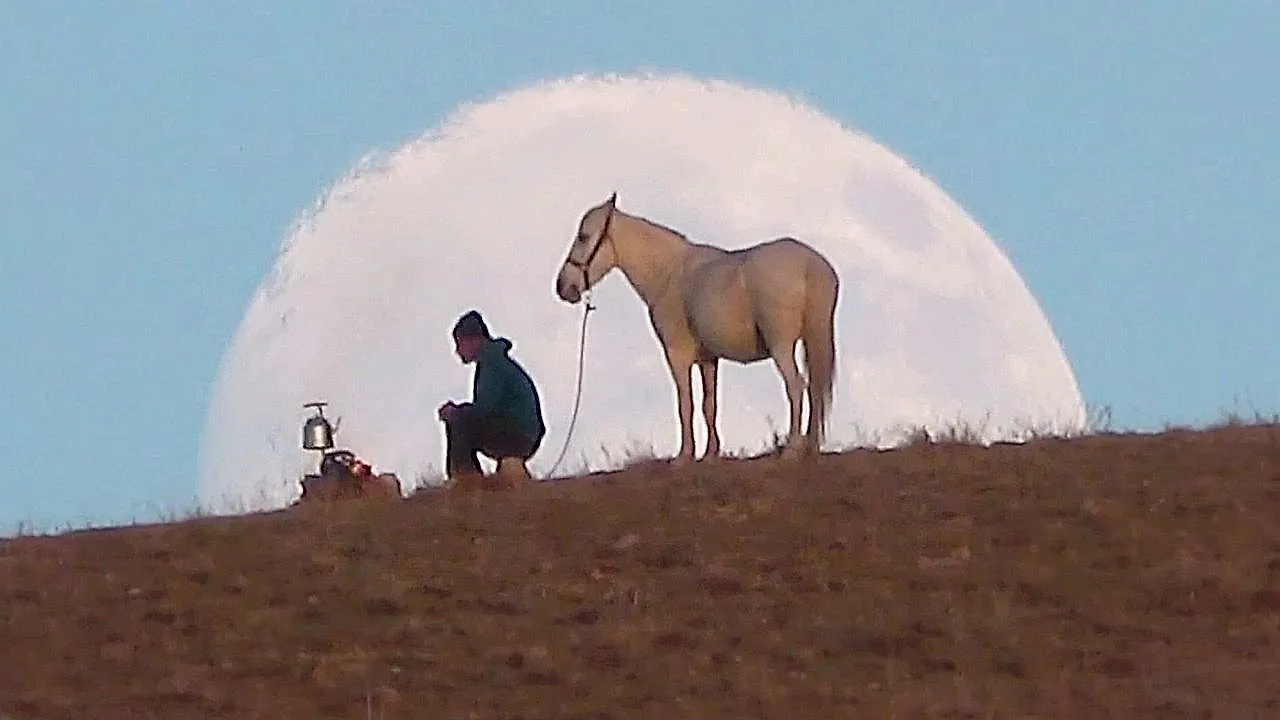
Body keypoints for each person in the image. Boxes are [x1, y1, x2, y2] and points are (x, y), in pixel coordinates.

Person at [438, 309, 546, 489]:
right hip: (525, 433)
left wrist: (455, 411)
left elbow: (485, 409)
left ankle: (465, 481)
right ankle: (500, 475)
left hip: (518, 433)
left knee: (458, 420)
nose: (457, 351)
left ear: (474, 339)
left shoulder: (491, 363)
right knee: (461, 417)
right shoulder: (493, 360)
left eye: (460, 344)